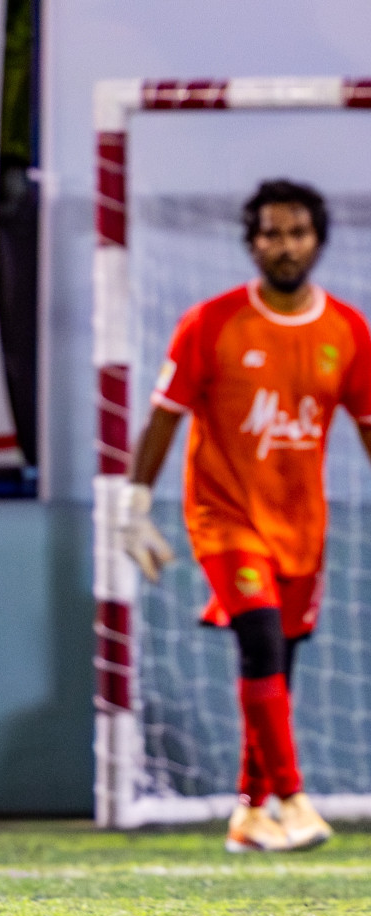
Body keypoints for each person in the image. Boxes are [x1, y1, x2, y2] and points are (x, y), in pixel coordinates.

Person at [121, 179, 369, 854]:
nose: (284, 245)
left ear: (317, 239)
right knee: (259, 642)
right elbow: (164, 417)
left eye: (296, 232)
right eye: (270, 232)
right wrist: (135, 503)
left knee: (278, 665)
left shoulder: (347, 330)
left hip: (302, 528)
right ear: (251, 241)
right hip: (224, 517)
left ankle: (249, 812)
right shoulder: (211, 322)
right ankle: (293, 798)